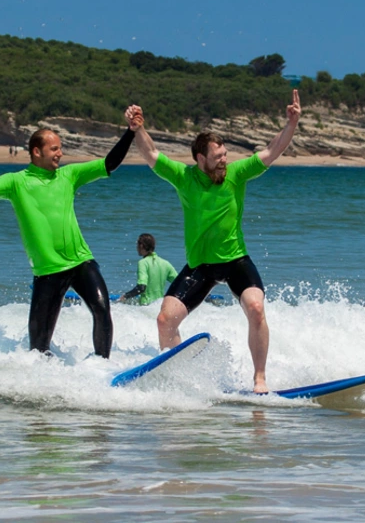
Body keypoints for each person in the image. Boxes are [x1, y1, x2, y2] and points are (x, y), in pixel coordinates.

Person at [0, 106, 143, 358]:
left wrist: (130, 132)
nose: (60, 153)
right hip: (47, 272)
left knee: (102, 310)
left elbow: (109, 163)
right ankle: (45, 374)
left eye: (60, 148)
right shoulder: (16, 182)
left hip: (80, 261)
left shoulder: (69, 175)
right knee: (38, 349)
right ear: (37, 151)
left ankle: (103, 364)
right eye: (54, 149)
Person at [127, 90, 301, 393]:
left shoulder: (236, 174)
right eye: (217, 156)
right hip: (200, 266)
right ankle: (180, 379)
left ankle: (260, 378)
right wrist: (138, 129)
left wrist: (292, 124)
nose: (224, 160)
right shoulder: (184, 177)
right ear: (200, 158)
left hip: (235, 261)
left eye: (225, 154)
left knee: (256, 308)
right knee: (165, 320)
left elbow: (271, 151)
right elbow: (152, 154)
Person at [120, 233, 178, 306]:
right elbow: (179, 283)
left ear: (141, 245)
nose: (136, 248)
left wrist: (125, 296)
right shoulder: (165, 263)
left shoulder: (143, 263)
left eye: (137, 245)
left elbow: (141, 287)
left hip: (146, 306)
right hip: (159, 305)